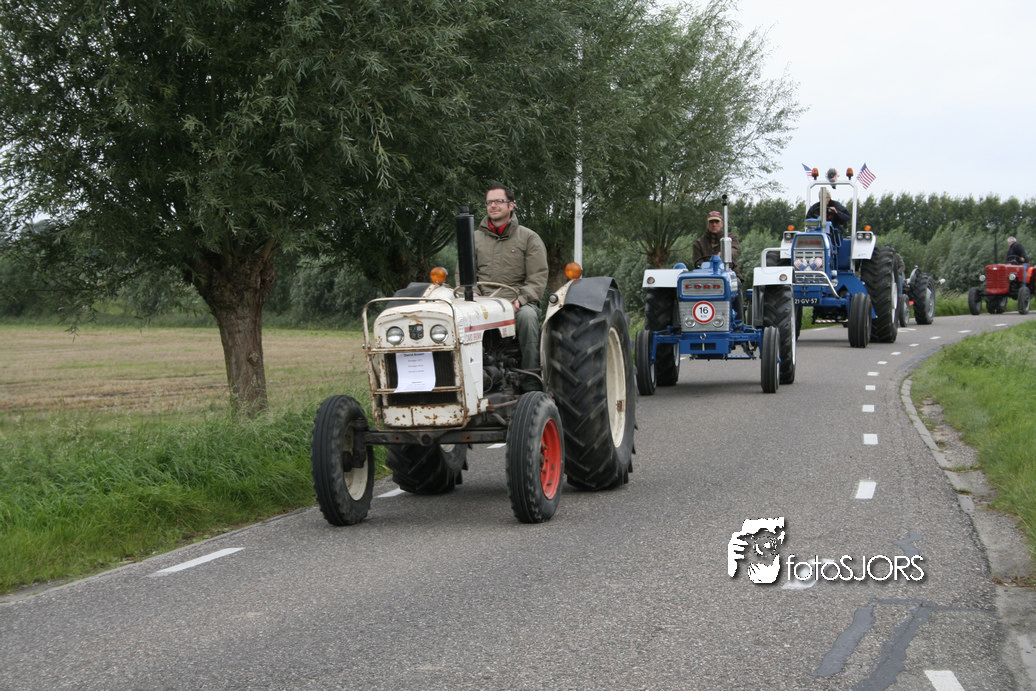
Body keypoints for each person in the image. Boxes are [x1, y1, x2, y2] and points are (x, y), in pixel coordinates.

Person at [475, 184, 549, 389]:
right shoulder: (474, 239)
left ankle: (531, 381)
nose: (493, 206)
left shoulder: (529, 238)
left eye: (499, 201)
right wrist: (472, 294)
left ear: (511, 205)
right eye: (490, 202)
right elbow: (464, 276)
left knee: (527, 317)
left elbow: (537, 277)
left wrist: (521, 299)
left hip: (518, 301)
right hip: (482, 302)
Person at [692, 211, 742, 281]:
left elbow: (734, 251)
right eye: (711, 222)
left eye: (717, 222)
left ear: (722, 224)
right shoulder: (699, 243)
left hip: (730, 274)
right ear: (707, 224)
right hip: (706, 277)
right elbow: (698, 264)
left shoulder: (730, 238)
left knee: (736, 283)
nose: (714, 225)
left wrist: (723, 254)